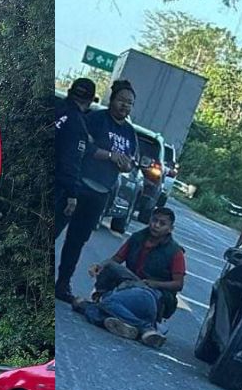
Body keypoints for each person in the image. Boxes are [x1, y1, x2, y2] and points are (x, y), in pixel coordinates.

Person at [55, 79, 138, 303]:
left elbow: (132, 162)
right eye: (121, 100)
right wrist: (109, 155)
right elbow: (82, 146)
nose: (125, 106)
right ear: (112, 100)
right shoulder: (95, 119)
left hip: (101, 193)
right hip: (78, 185)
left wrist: (125, 164)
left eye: (129, 103)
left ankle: (62, 284)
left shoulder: (130, 133)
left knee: (77, 241)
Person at [77, 206, 185, 349]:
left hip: (152, 295)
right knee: (110, 269)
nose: (156, 225)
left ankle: (144, 327)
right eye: (154, 220)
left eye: (162, 223)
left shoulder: (175, 252)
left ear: (170, 229)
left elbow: (178, 284)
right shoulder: (137, 238)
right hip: (129, 286)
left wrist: (154, 283)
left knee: (103, 304)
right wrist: (99, 266)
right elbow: (116, 259)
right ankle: (136, 329)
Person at [54, 78, 96, 239]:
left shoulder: (55, 107)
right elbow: (70, 162)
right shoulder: (77, 124)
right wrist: (72, 194)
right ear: (90, 101)